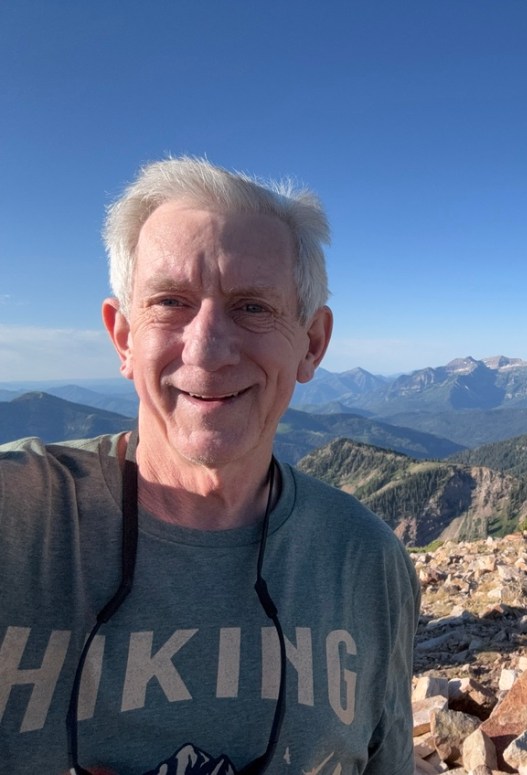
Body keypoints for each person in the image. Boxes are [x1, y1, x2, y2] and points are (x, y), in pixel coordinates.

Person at [0, 157, 420, 774]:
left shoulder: (366, 561)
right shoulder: (17, 514)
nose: (207, 349)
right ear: (123, 337)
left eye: (252, 307)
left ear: (312, 343)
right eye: (170, 302)